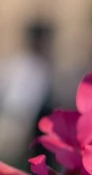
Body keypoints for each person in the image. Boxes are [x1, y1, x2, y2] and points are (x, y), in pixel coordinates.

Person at [0, 22, 54, 165]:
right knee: (10, 156)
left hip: (24, 116)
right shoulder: (25, 62)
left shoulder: (37, 63)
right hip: (16, 114)